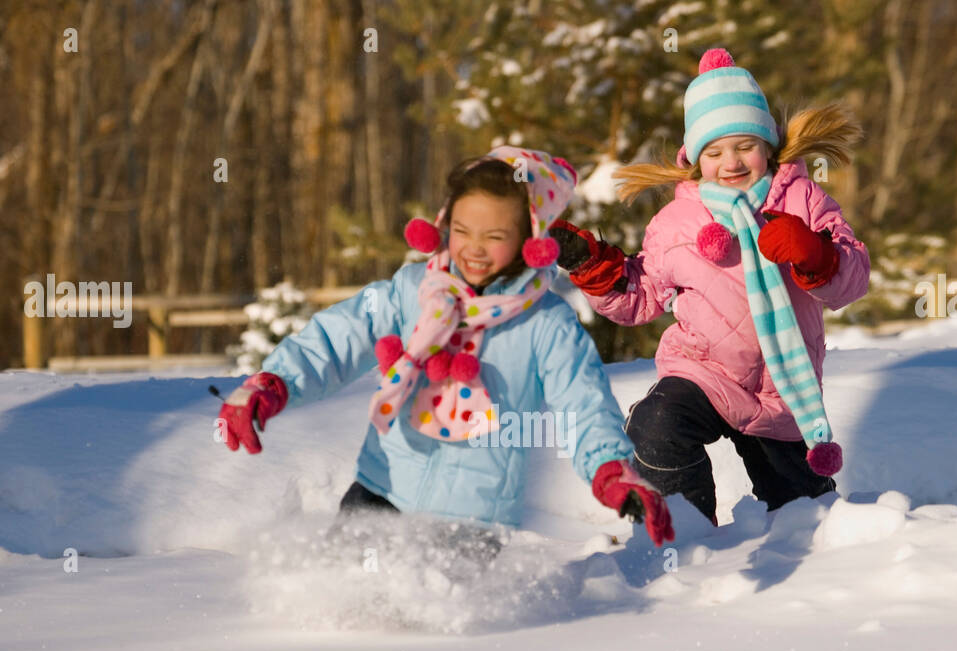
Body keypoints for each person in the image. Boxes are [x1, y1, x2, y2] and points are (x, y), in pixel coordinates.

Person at [218, 145, 675, 554]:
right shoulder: (411, 291)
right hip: (381, 488)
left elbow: (584, 404)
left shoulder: (545, 322)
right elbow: (339, 337)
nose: (474, 249)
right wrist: (274, 381)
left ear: (532, 241)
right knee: (345, 612)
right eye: (462, 230)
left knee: (431, 623)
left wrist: (611, 470)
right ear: (443, 225)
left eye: (495, 236)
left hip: (473, 519)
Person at [552, 48, 870, 526]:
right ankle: (682, 534)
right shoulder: (676, 221)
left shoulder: (804, 200)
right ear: (695, 158)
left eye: (745, 145)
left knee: (807, 520)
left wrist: (816, 254)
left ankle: (803, 561)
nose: (732, 162)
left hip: (784, 387)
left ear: (768, 144)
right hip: (704, 372)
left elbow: (852, 279)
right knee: (655, 424)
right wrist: (595, 269)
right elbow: (639, 296)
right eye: (715, 151)